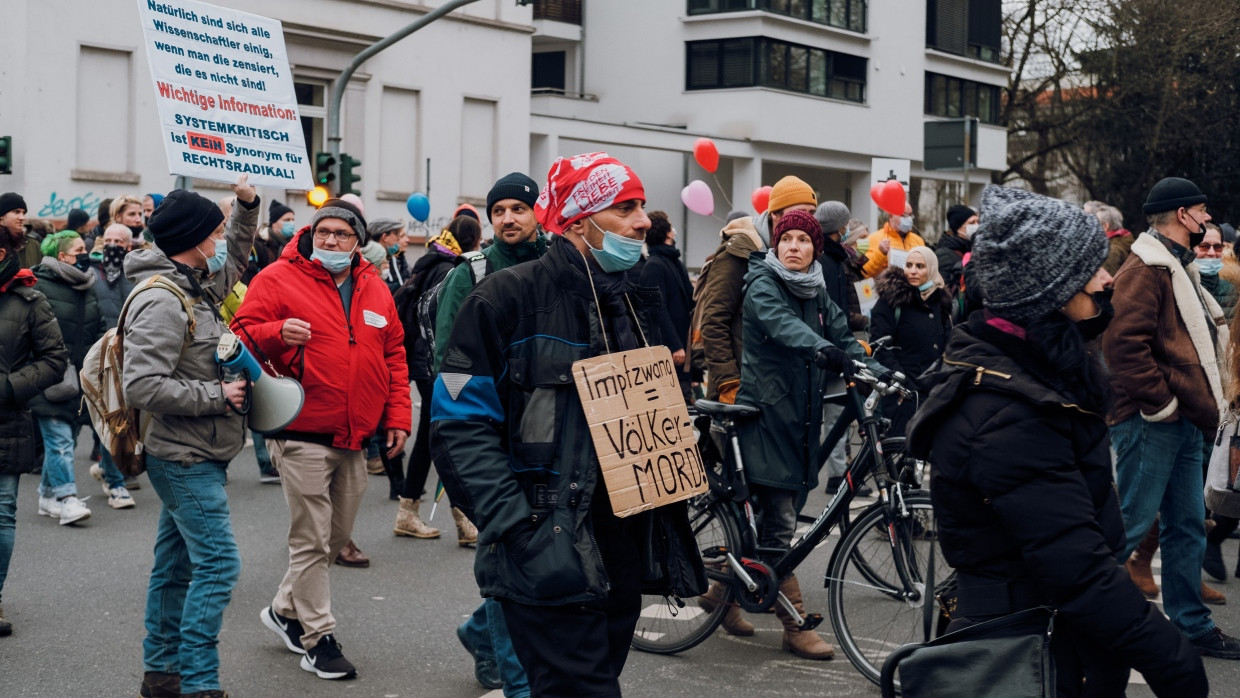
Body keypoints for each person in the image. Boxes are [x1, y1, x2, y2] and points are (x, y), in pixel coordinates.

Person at [906, 184, 1209, 697]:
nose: (1109, 278)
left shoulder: (1036, 373)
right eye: (1091, 268)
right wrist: (1174, 661)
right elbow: (1077, 568)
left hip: (1054, 635)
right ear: (1046, 290)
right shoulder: (1009, 413)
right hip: (1029, 649)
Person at [430, 153, 706, 698]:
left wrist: (683, 438)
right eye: (625, 207)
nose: (642, 220)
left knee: (586, 681)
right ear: (580, 220)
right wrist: (517, 527)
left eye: (641, 206)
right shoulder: (506, 298)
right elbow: (458, 424)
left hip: (620, 542)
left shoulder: (631, 297)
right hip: (547, 541)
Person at [233, 198, 411, 681]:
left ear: (359, 241)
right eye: (323, 232)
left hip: (354, 432)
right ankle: (319, 639)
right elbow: (238, 337)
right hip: (298, 426)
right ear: (311, 234)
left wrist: (398, 415)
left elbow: (394, 355)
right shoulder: (276, 278)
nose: (330, 240)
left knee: (334, 539)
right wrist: (275, 332)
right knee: (311, 539)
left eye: (342, 234)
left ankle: (283, 610)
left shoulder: (374, 287)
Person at [123, 176, 258, 698]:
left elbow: (238, 258)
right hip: (183, 455)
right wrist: (218, 398)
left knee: (175, 567)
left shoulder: (193, 281)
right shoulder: (164, 298)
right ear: (195, 239)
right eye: (217, 230)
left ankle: (161, 674)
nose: (222, 238)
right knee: (219, 564)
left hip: (199, 450)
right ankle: (200, 684)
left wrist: (248, 207)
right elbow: (143, 385)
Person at [1104, 176, 1240, 658]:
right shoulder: (1148, 267)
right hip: (1152, 420)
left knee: (1186, 524)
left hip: (1180, 421)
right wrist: (1160, 405)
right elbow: (1122, 344)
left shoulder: (1173, 265)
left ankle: (1192, 626)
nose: (1207, 219)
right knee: (1130, 521)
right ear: (1183, 215)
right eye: (1202, 211)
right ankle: (1068, 613)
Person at [730, 209, 873, 660]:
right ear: (775, 245)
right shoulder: (762, 283)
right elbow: (782, 326)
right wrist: (823, 347)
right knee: (779, 525)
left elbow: (845, 338)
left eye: (803, 240)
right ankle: (795, 624)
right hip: (767, 417)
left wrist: (885, 371)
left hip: (800, 418)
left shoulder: (816, 289)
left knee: (770, 516)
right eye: (786, 238)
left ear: (816, 248)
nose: (794, 246)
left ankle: (718, 596)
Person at [430, 173, 545, 698]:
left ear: (536, 212)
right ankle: (516, 680)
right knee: (502, 546)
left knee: (536, 547)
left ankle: (480, 632)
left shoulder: (557, 264)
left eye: (518, 209)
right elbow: (449, 364)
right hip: (490, 433)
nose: (508, 219)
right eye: (498, 211)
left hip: (547, 432)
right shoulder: (470, 273)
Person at [394, 214, 484, 539]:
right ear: (474, 242)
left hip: (423, 360)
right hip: (435, 363)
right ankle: (458, 517)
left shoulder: (433, 260)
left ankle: (419, 512)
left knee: (434, 437)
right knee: (445, 437)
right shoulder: (452, 271)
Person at [29, 230, 129, 518]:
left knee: (67, 439)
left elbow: (98, 327)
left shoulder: (86, 286)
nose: (84, 255)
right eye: (77, 251)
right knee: (60, 439)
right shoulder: (40, 286)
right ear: (62, 257)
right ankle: (68, 498)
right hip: (49, 377)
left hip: (80, 378)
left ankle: (47, 496)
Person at [0, 232, 69, 638]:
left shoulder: (29, 298)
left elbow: (55, 359)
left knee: (3, 510)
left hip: (7, 417)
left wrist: (10, 387)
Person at [697, 175, 817, 402]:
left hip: (782, 389)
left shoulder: (798, 257)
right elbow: (713, 321)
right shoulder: (739, 253)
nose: (807, 219)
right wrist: (728, 381)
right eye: (800, 211)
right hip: (742, 388)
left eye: (812, 213)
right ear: (775, 215)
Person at [869, 245, 952, 437]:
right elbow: (881, 346)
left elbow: (947, 346)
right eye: (909, 265)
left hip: (933, 393)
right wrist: (901, 381)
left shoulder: (941, 303)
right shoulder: (892, 300)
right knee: (900, 451)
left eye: (920, 266)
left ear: (931, 269)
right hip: (901, 394)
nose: (913, 271)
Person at [638, 211, 694, 397]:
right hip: (671, 351)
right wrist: (675, 345)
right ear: (668, 233)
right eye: (670, 225)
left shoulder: (673, 262)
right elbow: (657, 310)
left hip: (683, 346)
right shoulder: (654, 266)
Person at [861, 202, 925, 279]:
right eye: (903, 215)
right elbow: (864, 272)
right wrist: (880, 253)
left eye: (910, 215)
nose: (908, 219)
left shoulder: (918, 241)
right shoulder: (875, 238)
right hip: (886, 289)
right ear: (891, 216)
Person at [934, 203, 975, 294]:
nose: (976, 226)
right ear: (958, 227)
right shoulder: (944, 254)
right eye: (972, 223)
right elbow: (942, 289)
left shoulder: (971, 248)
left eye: (977, 222)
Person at [1197, 223, 1235, 321]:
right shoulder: (1177, 284)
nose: (1212, 253)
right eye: (1204, 246)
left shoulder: (1233, 290)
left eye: (1217, 247)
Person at [0, 193, 36, 270]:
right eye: (16, 212)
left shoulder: (34, 244)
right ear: (1, 216)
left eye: (24, 213)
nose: (22, 217)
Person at [1098, 204, 1134, 276]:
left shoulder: (1111, 251)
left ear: (1105, 226)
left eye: (1095, 224)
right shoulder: (1128, 241)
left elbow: (1107, 285)